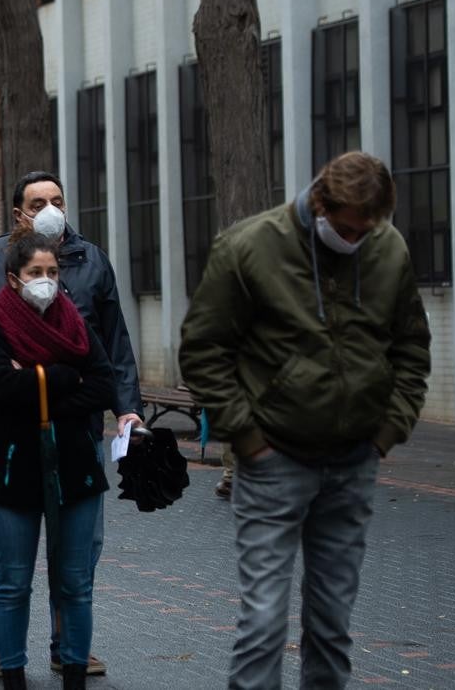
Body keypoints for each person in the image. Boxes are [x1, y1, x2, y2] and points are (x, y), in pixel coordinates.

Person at [178, 152, 431, 690]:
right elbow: (203, 351)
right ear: (320, 203)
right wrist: (248, 439)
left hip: (354, 460)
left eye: (368, 229)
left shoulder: (387, 249)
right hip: (274, 461)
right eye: (345, 229)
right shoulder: (249, 247)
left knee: (333, 625)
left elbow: (411, 347)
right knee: (264, 623)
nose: (356, 239)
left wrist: (386, 435)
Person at [0, 171, 142, 679]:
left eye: (57, 199)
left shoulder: (91, 260)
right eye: (39, 202)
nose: (51, 208)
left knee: (78, 560)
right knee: (9, 561)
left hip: (76, 441)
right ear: (19, 213)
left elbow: (110, 347)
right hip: (11, 443)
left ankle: (67, 646)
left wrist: (122, 403)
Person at [0, 234, 116, 689]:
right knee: (13, 583)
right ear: (14, 279)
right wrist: (61, 377)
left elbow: (103, 386)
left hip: (75, 468)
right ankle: (12, 673)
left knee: (75, 583)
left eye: (53, 272)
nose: (46, 281)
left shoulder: (75, 323)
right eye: (36, 273)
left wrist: (36, 385)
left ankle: (73, 671)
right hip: (13, 471)